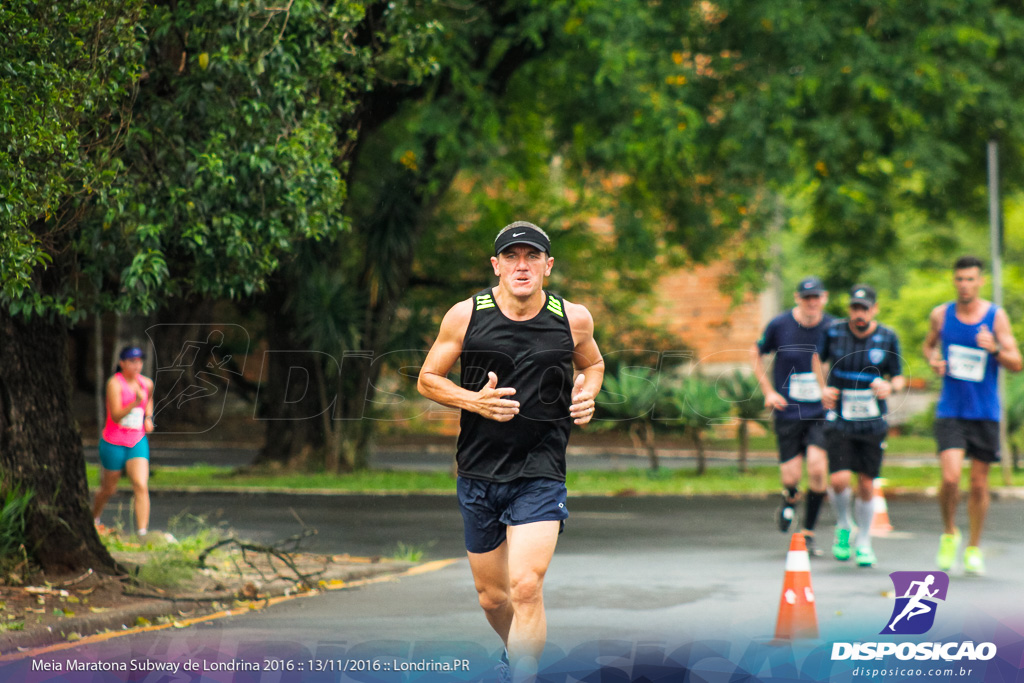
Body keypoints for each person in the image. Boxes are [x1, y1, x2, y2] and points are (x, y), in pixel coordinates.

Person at [417, 221, 604, 682]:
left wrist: (587, 394)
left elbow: (594, 363)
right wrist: (472, 400)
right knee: (493, 598)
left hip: (540, 470)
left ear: (548, 265)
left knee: (525, 587)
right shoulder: (466, 314)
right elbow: (427, 378)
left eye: (533, 256)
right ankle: (513, 653)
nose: (523, 266)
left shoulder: (572, 317)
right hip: (479, 472)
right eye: (513, 257)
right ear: (496, 266)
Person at [922, 255, 1022, 575]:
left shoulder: (996, 317)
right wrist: (934, 361)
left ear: (980, 282)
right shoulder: (940, 315)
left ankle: (974, 547)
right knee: (950, 478)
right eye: (960, 279)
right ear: (954, 281)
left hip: (984, 412)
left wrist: (994, 348)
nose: (965, 285)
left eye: (970, 279)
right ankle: (950, 531)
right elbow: (928, 347)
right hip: (950, 409)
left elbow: (1016, 363)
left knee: (979, 485)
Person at [813, 284, 904, 567]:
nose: (859, 313)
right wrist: (822, 388)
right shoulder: (834, 332)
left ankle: (864, 540)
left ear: (874, 309)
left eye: (865, 308)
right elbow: (816, 358)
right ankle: (843, 524)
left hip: (872, 422)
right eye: (855, 308)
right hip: (840, 417)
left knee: (866, 483)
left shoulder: (888, 336)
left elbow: (899, 376)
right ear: (849, 309)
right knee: (839, 479)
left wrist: (889, 386)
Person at [751, 276, 834, 556]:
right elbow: (756, 352)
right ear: (798, 299)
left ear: (824, 298)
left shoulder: (833, 327)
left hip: (820, 411)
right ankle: (789, 498)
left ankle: (808, 533)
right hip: (788, 408)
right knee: (791, 475)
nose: (812, 303)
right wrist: (769, 391)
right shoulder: (780, 325)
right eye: (806, 298)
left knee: (818, 470)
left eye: (817, 297)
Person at [93, 345, 155, 537]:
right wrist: (135, 403)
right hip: (113, 441)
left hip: (137, 440)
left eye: (139, 361)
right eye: (132, 361)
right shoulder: (115, 384)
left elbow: (149, 401)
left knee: (140, 484)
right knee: (108, 488)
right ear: (122, 363)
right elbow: (117, 415)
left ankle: (142, 532)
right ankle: (93, 519)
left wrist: (148, 417)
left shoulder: (146, 383)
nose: (137, 365)